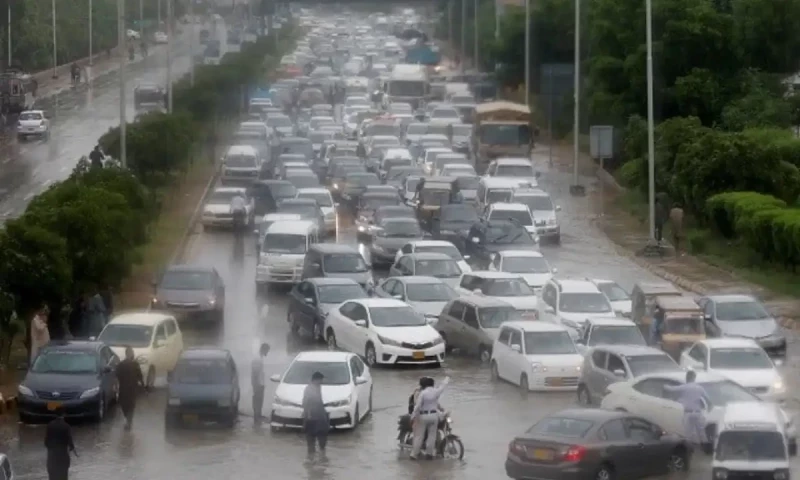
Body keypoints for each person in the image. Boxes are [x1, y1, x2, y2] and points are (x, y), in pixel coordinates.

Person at [663, 370, 710, 447]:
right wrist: (709, 408)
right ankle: (707, 450)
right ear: (694, 378)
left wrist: (664, 386)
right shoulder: (700, 388)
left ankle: (689, 449)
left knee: (688, 433)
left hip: (688, 413)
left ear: (687, 377)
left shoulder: (684, 387)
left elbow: (671, 389)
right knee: (702, 433)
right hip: (698, 413)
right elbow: (708, 399)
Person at [410, 375, 450, 460]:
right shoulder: (436, 392)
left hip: (423, 416)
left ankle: (414, 455)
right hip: (434, 416)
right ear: (432, 384)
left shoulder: (422, 393)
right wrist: (447, 379)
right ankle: (429, 454)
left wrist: (413, 417)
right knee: (432, 436)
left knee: (419, 436)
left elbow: (417, 406)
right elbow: (442, 386)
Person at [116, 346, 145, 430]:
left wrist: (142, 385)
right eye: (131, 352)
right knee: (129, 406)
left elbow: (140, 376)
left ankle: (128, 421)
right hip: (128, 389)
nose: (132, 354)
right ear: (129, 354)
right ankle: (129, 420)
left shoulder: (131, 364)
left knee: (127, 406)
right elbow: (140, 376)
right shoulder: (124, 365)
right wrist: (142, 386)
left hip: (127, 389)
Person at [302, 371, 329, 458]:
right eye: (321, 380)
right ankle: (314, 460)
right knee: (312, 442)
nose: (322, 382)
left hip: (319, 418)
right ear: (316, 380)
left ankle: (318, 460)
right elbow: (305, 403)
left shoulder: (318, 388)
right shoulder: (309, 389)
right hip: (312, 419)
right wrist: (307, 416)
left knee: (321, 442)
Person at [44, 409, 76, 480]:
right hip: (63, 456)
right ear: (64, 415)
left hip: (52, 457)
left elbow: (46, 442)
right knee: (63, 476)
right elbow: (70, 442)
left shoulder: (50, 425)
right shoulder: (66, 426)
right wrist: (73, 449)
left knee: (52, 476)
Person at [251, 342, 271, 423]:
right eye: (267, 351)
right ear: (264, 349)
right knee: (258, 400)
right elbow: (255, 373)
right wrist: (256, 385)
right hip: (258, 384)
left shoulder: (259, 358)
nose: (267, 353)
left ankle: (258, 415)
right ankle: (257, 416)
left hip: (260, 383)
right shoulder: (257, 359)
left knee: (259, 400)